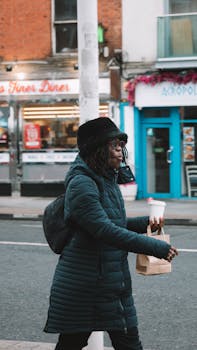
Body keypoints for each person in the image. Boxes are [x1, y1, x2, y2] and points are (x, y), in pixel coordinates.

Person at [44, 117, 178, 350]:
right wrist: (154, 246)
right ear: (98, 149)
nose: (121, 153)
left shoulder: (106, 179)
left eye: (121, 146)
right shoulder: (82, 183)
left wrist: (147, 223)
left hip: (109, 280)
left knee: (125, 342)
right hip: (86, 284)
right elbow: (104, 230)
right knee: (73, 343)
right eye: (115, 146)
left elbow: (111, 222)